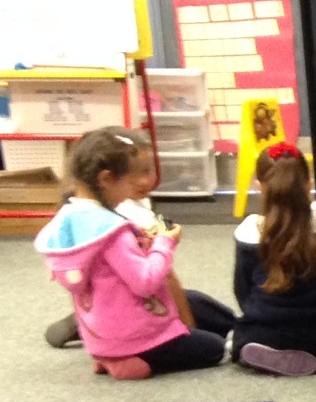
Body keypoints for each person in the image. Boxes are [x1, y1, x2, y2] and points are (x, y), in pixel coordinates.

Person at [36, 127, 232, 379]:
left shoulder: (69, 217)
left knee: (193, 301)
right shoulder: (111, 231)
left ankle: (109, 357)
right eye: (131, 180)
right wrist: (164, 243)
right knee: (216, 349)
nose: (135, 189)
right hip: (135, 335)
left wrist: (141, 243)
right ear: (106, 179)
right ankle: (132, 360)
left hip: (102, 334)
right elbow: (145, 282)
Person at [232, 142, 316, 376]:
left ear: (260, 187)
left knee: (242, 340)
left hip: (268, 330)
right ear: (309, 184)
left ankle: (278, 353)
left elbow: (242, 290)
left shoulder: (250, 230)